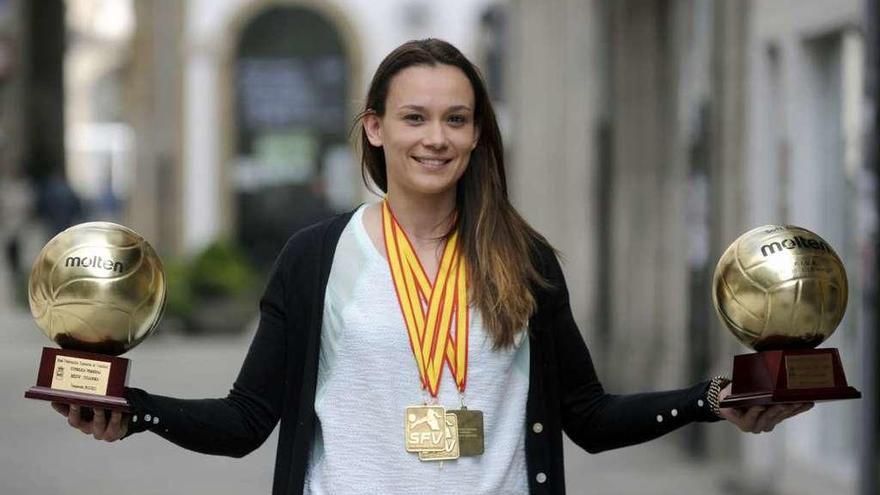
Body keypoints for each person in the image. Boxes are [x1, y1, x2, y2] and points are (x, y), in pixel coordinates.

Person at [53, 39, 812, 494]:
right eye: (414, 117)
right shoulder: (317, 257)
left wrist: (714, 397)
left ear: (480, 133)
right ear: (375, 127)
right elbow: (246, 420)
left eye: (456, 118)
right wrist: (136, 409)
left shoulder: (524, 259)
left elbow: (586, 415)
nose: (436, 138)